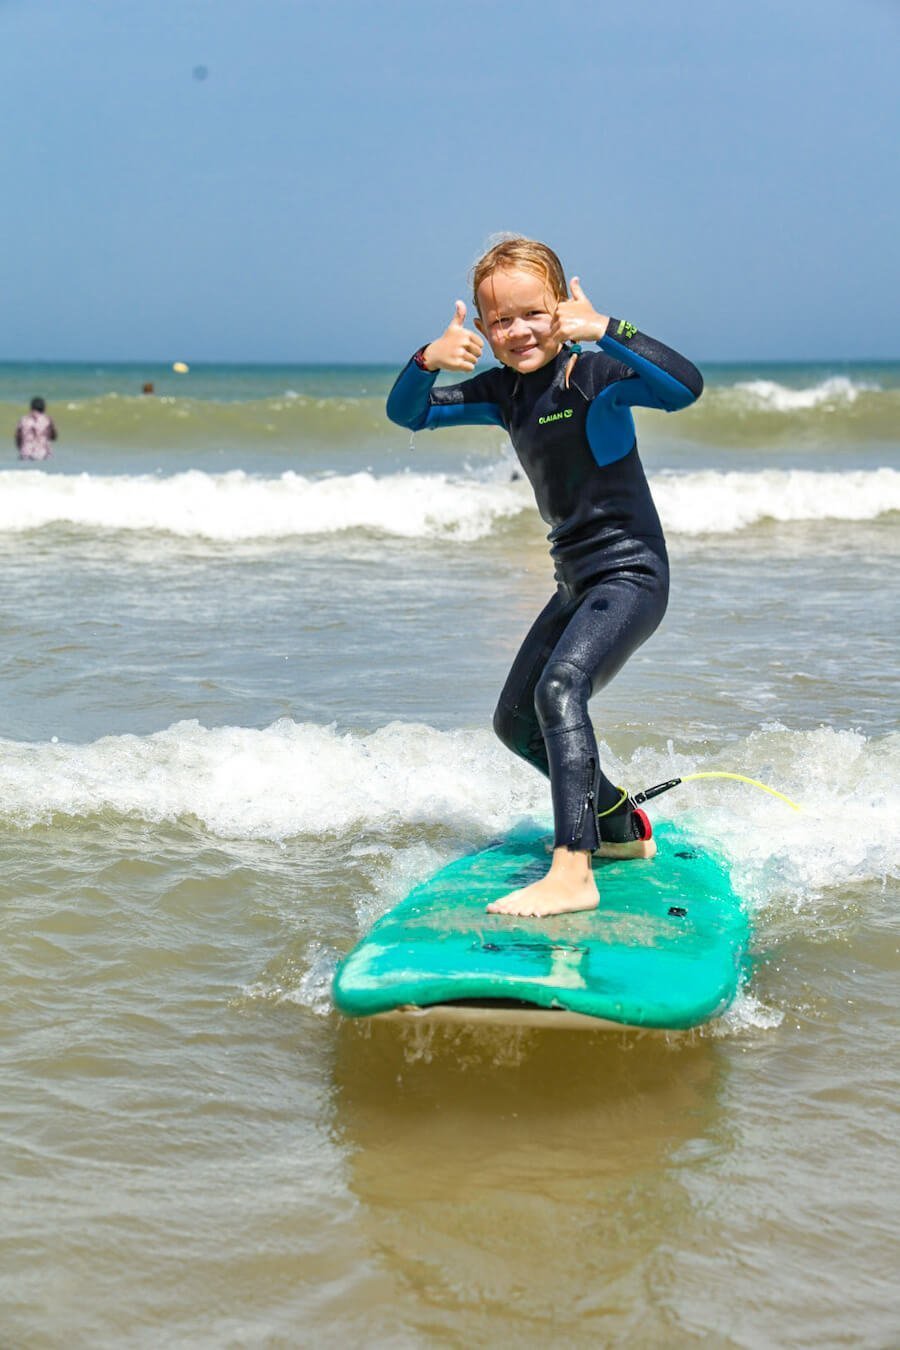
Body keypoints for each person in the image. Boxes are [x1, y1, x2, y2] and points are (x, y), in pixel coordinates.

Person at [386, 235, 703, 917]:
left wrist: (609, 331)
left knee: (561, 690)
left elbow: (684, 388)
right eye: (498, 320)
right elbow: (407, 412)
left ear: (560, 306)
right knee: (514, 721)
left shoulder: (593, 376)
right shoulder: (503, 393)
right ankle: (619, 825)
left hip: (631, 575)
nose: (517, 331)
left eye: (533, 312)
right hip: (575, 585)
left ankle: (573, 870)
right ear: (482, 324)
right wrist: (426, 360)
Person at [15, 397, 58, 461]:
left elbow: (18, 438)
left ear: (31, 407)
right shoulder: (47, 419)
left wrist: (22, 449)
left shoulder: (23, 419)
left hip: (26, 455)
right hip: (43, 456)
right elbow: (54, 437)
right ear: (43, 408)